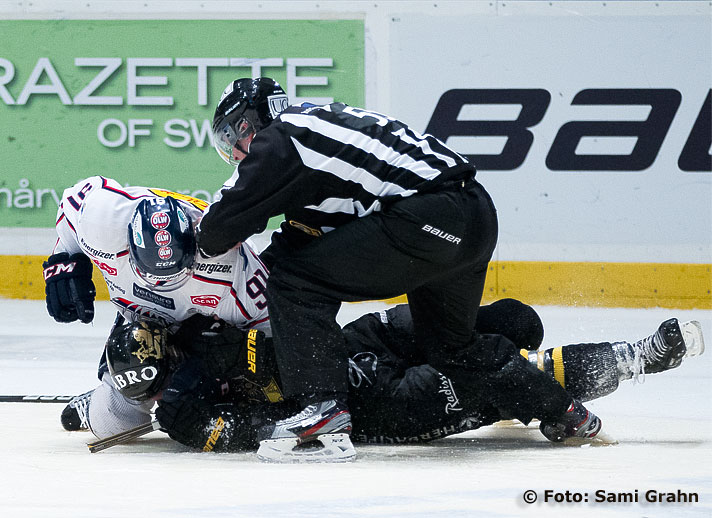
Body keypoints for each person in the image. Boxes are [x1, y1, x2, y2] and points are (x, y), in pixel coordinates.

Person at [197, 77, 582, 459]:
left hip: (427, 218)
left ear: (249, 123)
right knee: (450, 347)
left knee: (295, 283)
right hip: (474, 214)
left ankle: (323, 411)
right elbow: (310, 234)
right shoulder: (319, 133)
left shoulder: (282, 140)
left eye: (234, 138)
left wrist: (195, 251)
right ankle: (564, 412)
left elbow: (219, 228)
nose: (236, 153)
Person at [89, 301, 704, 460]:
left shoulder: (189, 333)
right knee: (496, 375)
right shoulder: (179, 412)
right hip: (362, 404)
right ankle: (637, 357)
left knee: (499, 324)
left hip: (355, 342)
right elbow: (254, 432)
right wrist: (304, 407)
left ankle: (561, 380)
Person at [42, 175, 271, 435]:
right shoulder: (105, 221)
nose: (161, 286)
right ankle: (105, 395)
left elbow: (275, 340)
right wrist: (64, 259)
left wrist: (236, 360)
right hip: (141, 317)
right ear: (129, 247)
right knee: (112, 426)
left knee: (220, 405)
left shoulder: (233, 272)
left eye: (175, 275)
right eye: (153, 277)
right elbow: (73, 200)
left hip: (210, 335)